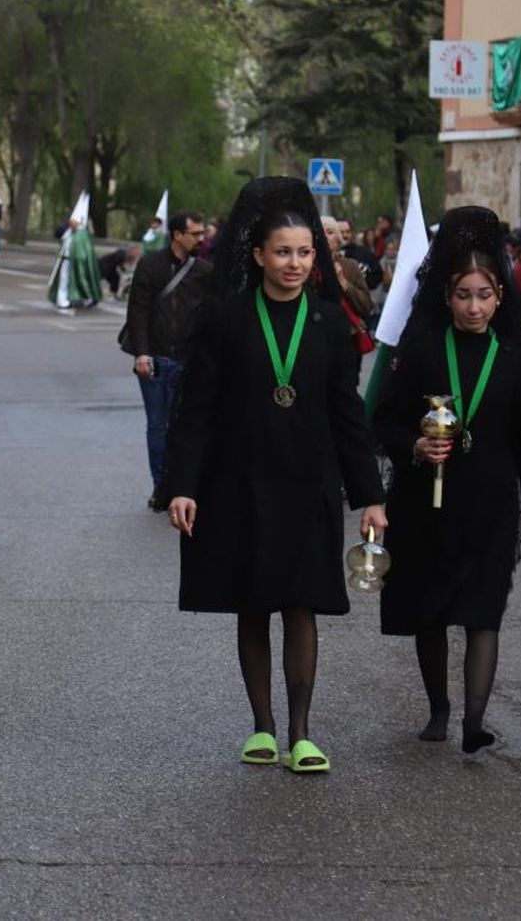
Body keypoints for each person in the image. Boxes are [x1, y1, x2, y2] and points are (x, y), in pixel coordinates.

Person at [163, 177, 387, 773]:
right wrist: (182, 485)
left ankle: (302, 732)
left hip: (308, 484)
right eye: (283, 251)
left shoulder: (329, 324)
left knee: (302, 603)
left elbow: (348, 416)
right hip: (238, 483)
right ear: (258, 254)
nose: (294, 263)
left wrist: (370, 496)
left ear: (317, 255)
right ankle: (262, 728)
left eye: (305, 252)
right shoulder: (226, 319)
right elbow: (197, 410)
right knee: (253, 603)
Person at [373, 207, 521, 753]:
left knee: (483, 610)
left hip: (490, 499)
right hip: (425, 502)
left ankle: (474, 722)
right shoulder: (423, 347)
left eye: (484, 295)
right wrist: (415, 443)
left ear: (500, 295)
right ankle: (439, 708)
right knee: (431, 610)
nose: (474, 306)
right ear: (446, 296)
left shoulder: (515, 354)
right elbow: (383, 419)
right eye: (463, 295)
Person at [122, 212, 211, 510]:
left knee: (185, 426)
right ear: (177, 235)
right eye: (195, 233)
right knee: (158, 427)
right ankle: (161, 487)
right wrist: (142, 353)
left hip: (189, 361)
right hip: (156, 360)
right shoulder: (151, 265)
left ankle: (181, 487)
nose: (201, 238)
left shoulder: (203, 271)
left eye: (202, 233)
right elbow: (138, 311)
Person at [48, 214, 101, 310]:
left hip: (79, 260)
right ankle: (62, 300)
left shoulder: (81, 233)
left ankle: (86, 298)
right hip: (66, 260)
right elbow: (60, 235)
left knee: (81, 279)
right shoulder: (66, 231)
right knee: (64, 281)